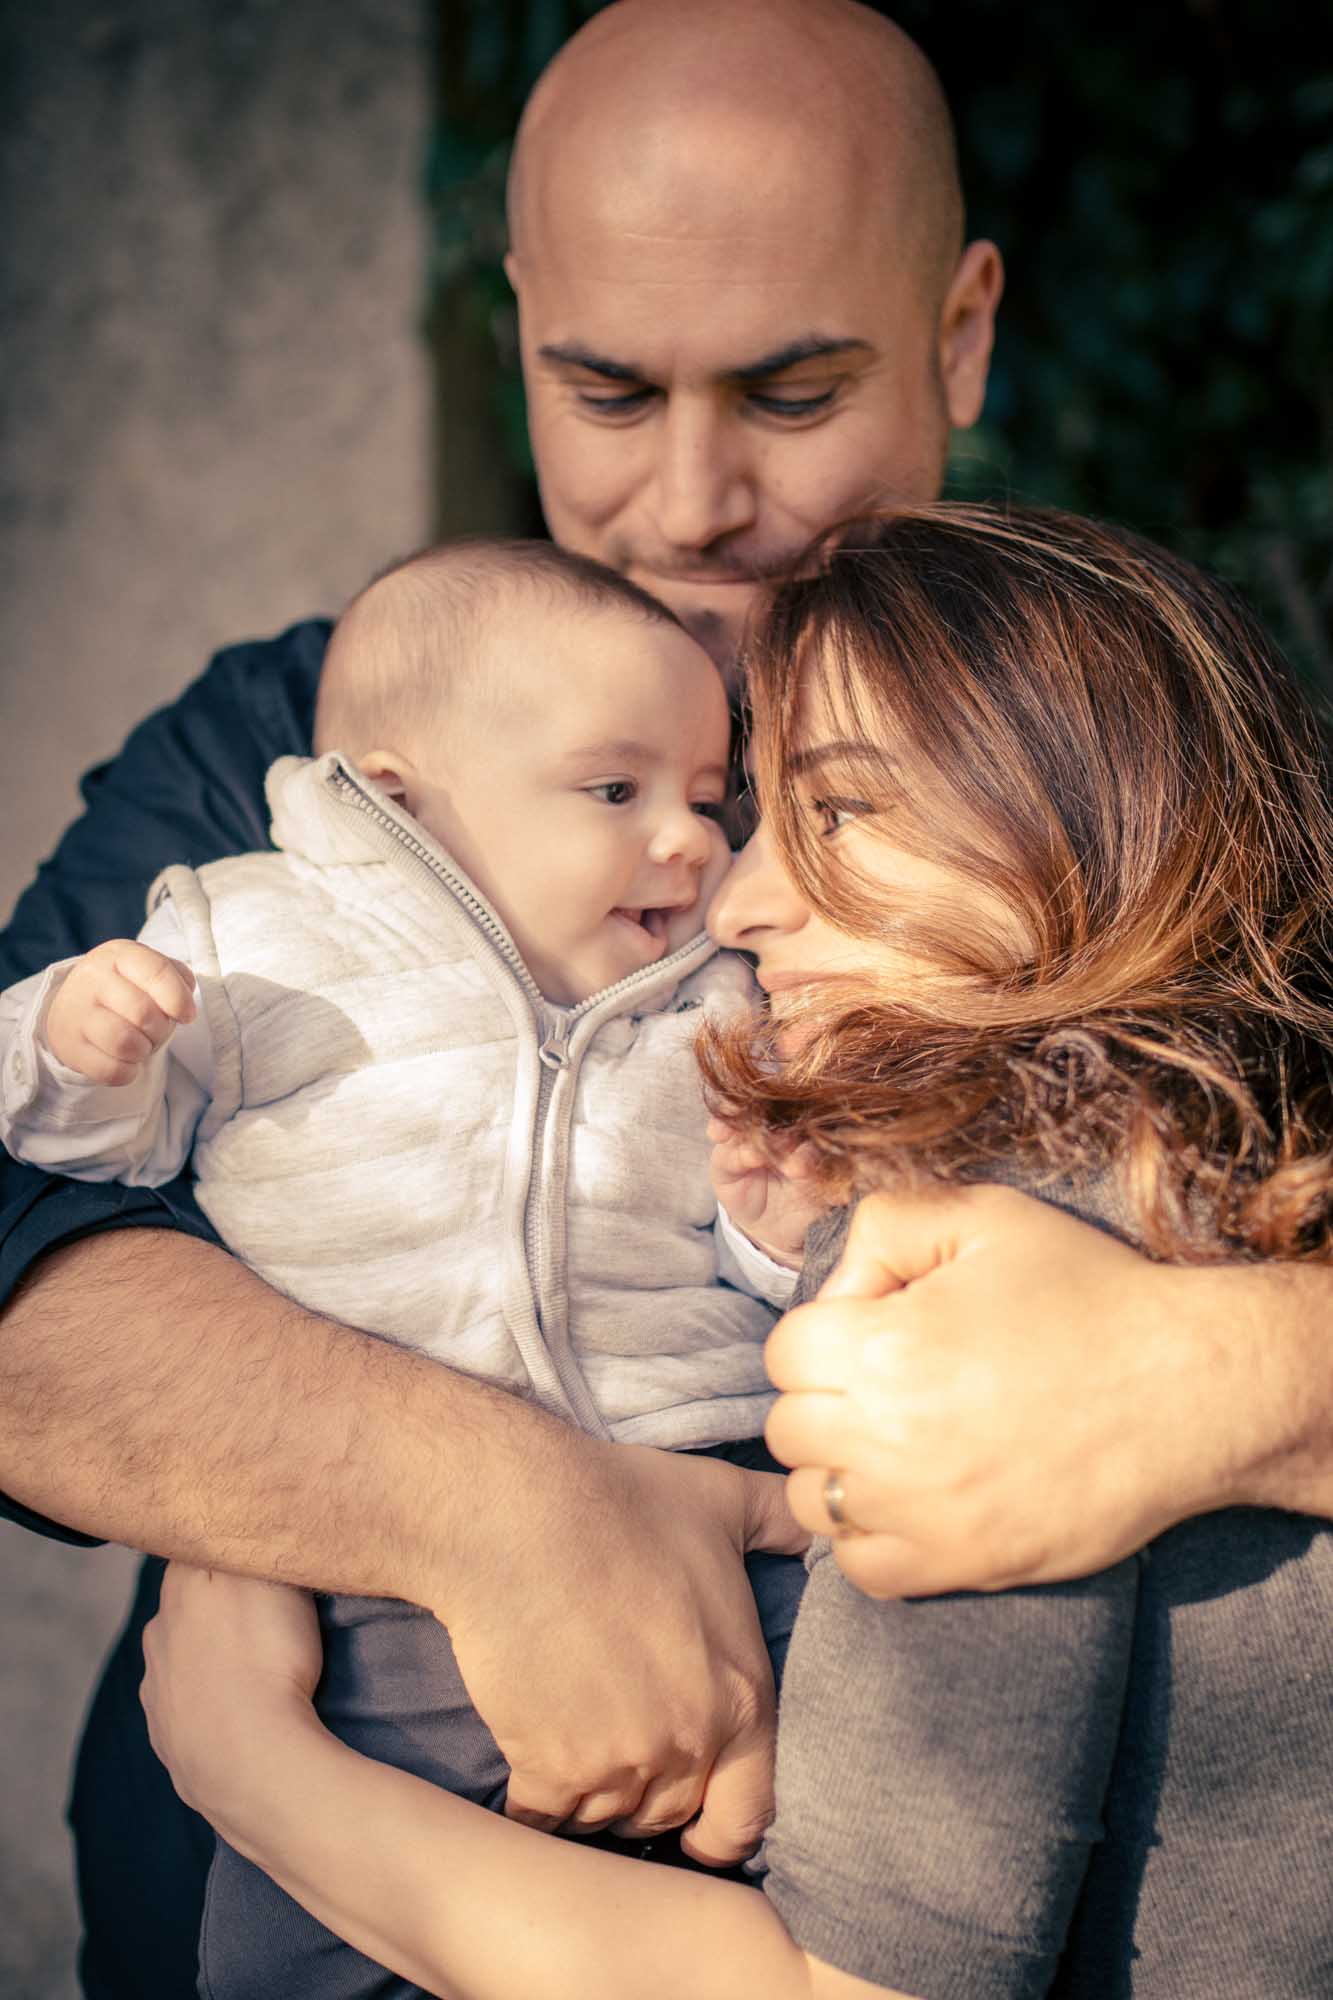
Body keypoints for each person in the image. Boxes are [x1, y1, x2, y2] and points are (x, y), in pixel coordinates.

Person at [1, 3, 1331, 1992]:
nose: (692, 498)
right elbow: (28, 1295)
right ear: (515, 321)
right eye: (606, 391)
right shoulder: (305, 746)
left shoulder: (1116, 761)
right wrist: (508, 1515)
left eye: (790, 392)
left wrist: (1231, 1374)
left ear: (961, 333)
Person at [142, 504, 1333, 1997]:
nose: (737, 897)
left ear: (1086, 821)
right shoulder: (1236, 1163)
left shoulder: (1000, 1260)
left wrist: (252, 1768)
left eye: (832, 816)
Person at [1, 533, 820, 1996]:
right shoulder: (254, 943)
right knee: (303, 1943)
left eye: (706, 797)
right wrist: (80, 1043)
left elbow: (760, 1286)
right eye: (614, 791)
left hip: (708, 1532)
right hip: (369, 1609)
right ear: (403, 804)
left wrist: (774, 1222)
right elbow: (90, 1160)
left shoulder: (714, 1008)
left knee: (791, 1875)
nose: (693, 841)